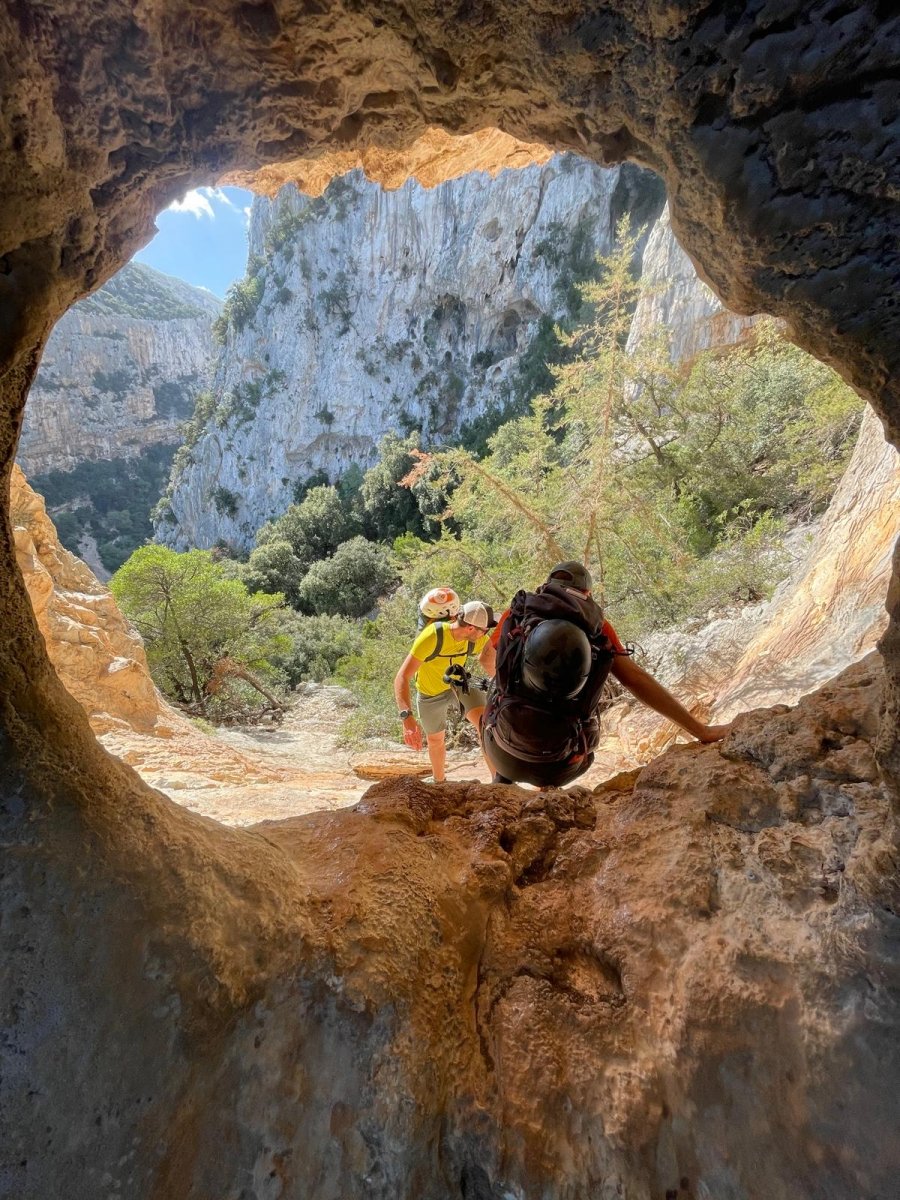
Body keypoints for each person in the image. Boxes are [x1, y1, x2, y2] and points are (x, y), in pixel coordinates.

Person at [482, 561, 733, 787]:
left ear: (547, 586)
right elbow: (636, 680)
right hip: (563, 768)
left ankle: (501, 780)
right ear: (587, 594)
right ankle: (548, 789)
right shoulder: (598, 628)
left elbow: (486, 660)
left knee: (490, 706)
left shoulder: (517, 613)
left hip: (502, 754)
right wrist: (701, 731)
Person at [394, 600, 497, 783]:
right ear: (471, 628)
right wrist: (407, 718)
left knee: (485, 725)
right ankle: (439, 783)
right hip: (429, 693)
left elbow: (489, 655)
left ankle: (498, 782)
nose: (485, 634)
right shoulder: (432, 637)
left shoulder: (477, 638)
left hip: (458, 685)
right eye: (485, 630)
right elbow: (402, 676)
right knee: (435, 740)